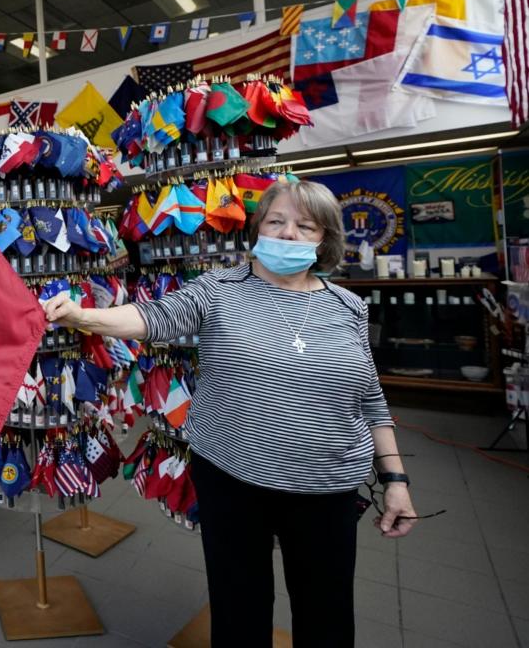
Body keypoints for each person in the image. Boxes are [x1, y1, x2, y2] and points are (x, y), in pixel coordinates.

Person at [44, 179, 415, 648]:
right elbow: (153, 317)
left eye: (305, 226)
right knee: (239, 609)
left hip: (327, 485)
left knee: (328, 613)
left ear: (325, 239)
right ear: (257, 228)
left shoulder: (347, 307)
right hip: (234, 479)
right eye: (276, 221)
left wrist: (396, 481)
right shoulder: (219, 290)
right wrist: (87, 317)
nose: (288, 234)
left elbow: (369, 398)